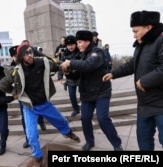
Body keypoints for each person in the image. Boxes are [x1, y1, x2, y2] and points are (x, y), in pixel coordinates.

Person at [0, 44, 80, 166]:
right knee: (31, 135)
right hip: (30, 107)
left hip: (45, 104)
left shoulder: (42, 63)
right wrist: (15, 93)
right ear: (21, 56)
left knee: (61, 121)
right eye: (26, 54)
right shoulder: (16, 71)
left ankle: (68, 132)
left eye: (31, 52)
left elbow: (58, 65)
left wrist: (66, 66)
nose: (30, 55)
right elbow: (2, 85)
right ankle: (37, 157)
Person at [103, 10, 163, 151]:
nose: (134, 35)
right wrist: (113, 73)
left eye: (136, 31)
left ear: (149, 27)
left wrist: (145, 81)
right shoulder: (140, 46)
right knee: (143, 141)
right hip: (143, 105)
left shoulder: (160, 41)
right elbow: (132, 65)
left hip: (161, 104)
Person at [60, 30, 122, 151]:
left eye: (80, 42)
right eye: (77, 42)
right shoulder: (81, 55)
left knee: (102, 118)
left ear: (88, 41)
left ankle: (116, 144)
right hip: (87, 94)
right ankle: (89, 141)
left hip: (101, 92)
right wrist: (67, 72)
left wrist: (70, 63)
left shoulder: (97, 52)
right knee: (85, 119)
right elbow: (76, 75)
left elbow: (88, 65)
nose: (78, 45)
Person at [9, 45, 46, 149]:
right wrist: (13, 91)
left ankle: (41, 121)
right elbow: (8, 83)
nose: (17, 57)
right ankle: (28, 139)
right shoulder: (12, 68)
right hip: (23, 98)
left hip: (36, 95)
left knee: (40, 110)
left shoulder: (31, 63)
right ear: (13, 57)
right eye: (15, 56)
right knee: (25, 119)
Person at [58, 35, 81, 117]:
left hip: (80, 77)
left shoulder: (80, 52)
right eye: (68, 45)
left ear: (75, 44)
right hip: (70, 78)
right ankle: (76, 109)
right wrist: (60, 77)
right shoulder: (64, 54)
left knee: (83, 93)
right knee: (72, 95)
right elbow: (60, 66)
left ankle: (85, 106)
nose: (70, 47)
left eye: (72, 45)